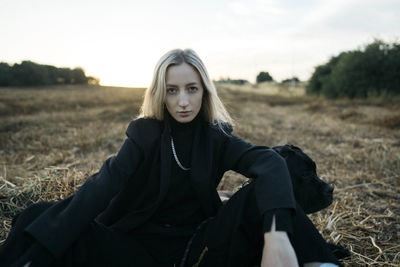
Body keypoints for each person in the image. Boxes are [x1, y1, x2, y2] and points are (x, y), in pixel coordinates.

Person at [0, 49, 342, 267]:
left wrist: (276, 235)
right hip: (135, 252)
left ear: (204, 91)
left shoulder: (216, 136)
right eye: (173, 90)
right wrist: (42, 252)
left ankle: (315, 262)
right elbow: (101, 188)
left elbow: (268, 161)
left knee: (267, 195)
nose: (183, 101)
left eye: (192, 89)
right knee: (37, 216)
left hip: (201, 250)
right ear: (160, 93)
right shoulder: (144, 134)